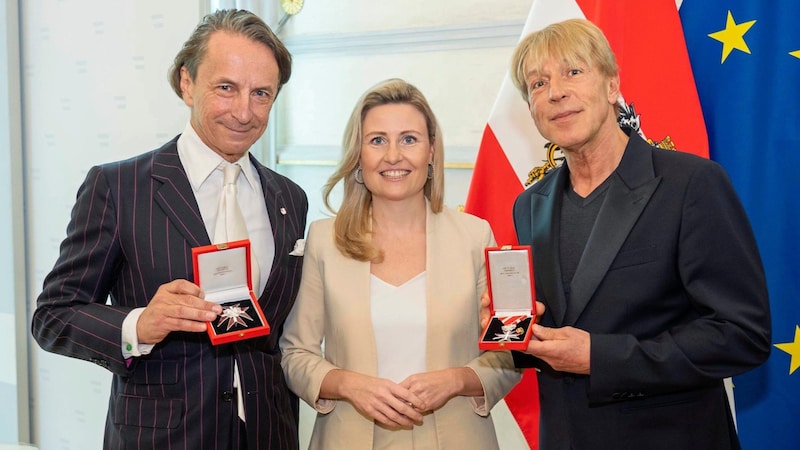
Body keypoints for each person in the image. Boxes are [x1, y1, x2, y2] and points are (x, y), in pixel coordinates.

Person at [31, 9, 308, 449]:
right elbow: (52, 316)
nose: (244, 111)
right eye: (225, 88)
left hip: (268, 434)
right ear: (186, 82)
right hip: (163, 438)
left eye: (261, 94)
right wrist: (140, 324)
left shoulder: (289, 198)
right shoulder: (118, 187)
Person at [494, 18, 771, 449]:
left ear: (611, 86)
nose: (555, 92)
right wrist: (513, 329)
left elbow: (741, 335)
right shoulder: (529, 204)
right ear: (531, 109)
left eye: (573, 72)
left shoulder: (691, 184)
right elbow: (563, 324)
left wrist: (601, 358)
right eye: (537, 83)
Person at [279, 78, 521, 449]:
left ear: (431, 151)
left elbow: (509, 353)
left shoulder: (476, 236)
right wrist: (348, 384)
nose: (393, 155)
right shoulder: (324, 241)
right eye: (377, 140)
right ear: (358, 154)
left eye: (409, 139)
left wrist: (457, 379)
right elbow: (296, 354)